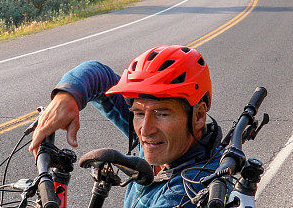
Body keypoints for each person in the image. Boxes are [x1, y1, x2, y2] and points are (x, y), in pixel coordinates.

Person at [30, 45, 223, 207]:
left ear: (198, 115)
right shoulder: (169, 144)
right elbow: (99, 75)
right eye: (139, 113)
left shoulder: (192, 188)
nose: (145, 131)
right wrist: (69, 94)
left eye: (162, 113)